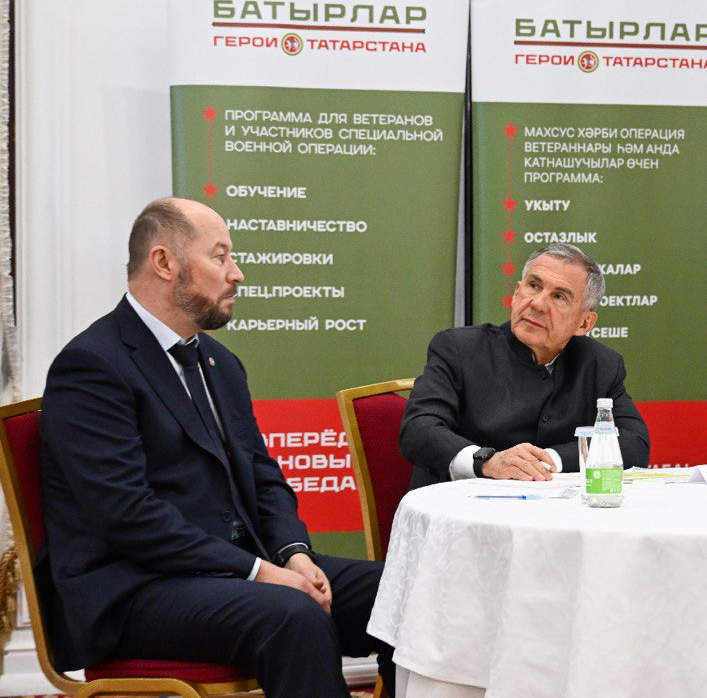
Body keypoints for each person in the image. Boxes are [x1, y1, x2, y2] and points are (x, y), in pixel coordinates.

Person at [39, 198, 395, 697]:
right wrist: (259, 572)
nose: (237, 274)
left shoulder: (219, 363)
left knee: (401, 593)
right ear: (165, 262)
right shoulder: (92, 366)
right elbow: (127, 515)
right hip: (133, 589)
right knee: (291, 614)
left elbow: (263, 475)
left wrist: (292, 554)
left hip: (230, 568)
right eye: (220, 256)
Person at [400, 244, 649, 488]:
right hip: (463, 505)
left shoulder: (601, 364)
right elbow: (418, 429)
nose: (538, 304)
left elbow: (634, 443)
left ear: (584, 323)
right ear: (517, 293)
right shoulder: (459, 348)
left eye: (559, 296)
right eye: (534, 286)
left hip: (555, 510)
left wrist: (550, 460)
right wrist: (487, 461)